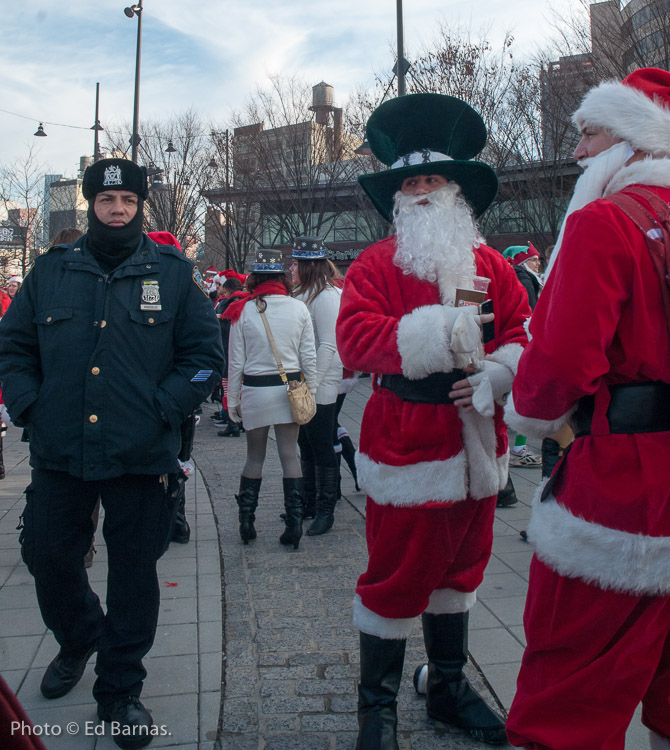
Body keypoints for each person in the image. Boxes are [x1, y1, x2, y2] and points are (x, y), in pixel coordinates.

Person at [0, 157, 224, 749]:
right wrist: (29, 406)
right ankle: (79, 637)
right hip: (60, 450)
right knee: (47, 555)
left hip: (138, 453)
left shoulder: (173, 274)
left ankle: (120, 688)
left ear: (139, 207)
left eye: (126, 201)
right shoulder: (52, 272)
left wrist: (163, 408)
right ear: (92, 205)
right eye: (106, 201)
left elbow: (205, 356)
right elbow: (13, 347)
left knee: (133, 573)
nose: (116, 209)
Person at [336, 93, 531, 748]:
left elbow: (522, 337)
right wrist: (439, 337)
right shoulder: (372, 265)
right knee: (395, 578)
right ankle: (378, 709)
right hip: (406, 447)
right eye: (410, 183)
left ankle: (447, 687)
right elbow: (356, 340)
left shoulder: (493, 267)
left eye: (433, 181)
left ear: (455, 190)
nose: (421, 191)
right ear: (396, 196)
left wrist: (498, 373)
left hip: (478, 444)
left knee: (463, 571)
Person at [504, 67, 670, 749]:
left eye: (589, 131)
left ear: (631, 138)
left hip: (625, 484)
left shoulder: (608, 222)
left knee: (567, 687)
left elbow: (562, 364)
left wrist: (526, 409)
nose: (576, 153)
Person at [224, 252, 317, 550]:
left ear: (254, 278)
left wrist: (231, 400)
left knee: (255, 457)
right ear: (282, 278)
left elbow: (235, 363)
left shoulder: (242, 311)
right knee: (290, 455)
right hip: (289, 390)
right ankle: (294, 525)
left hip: (254, 391)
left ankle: (247, 523)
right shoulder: (299, 308)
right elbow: (309, 358)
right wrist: (310, 392)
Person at [290, 236, 343, 535]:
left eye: (296, 263)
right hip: (305, 382)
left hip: (321, 382)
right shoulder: (305, 294)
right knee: (305, 443)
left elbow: (329, 346)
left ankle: (326, 511)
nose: (291, 268)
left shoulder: (325, 296)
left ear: (311, 265)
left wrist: (311, 385)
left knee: (321, 445)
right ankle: (309, 502)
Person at [500, 244, 543, 471]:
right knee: (519, 396)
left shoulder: (524, 277)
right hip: (525, 342)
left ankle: (515, 447)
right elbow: (529, 312)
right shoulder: (525, 278)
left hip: (519, 343)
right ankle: (517, 449)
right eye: (534, 259)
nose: (539, 263)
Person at [214, 276, 247, 437]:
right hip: (246, 354)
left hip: (227, 351)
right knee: (241, 388)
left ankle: (232, 421)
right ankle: (242, 420)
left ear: (227, 290)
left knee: (228, 388)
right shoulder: (249, 303)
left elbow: (219, 331)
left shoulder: (225, 305)